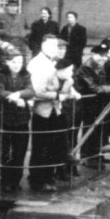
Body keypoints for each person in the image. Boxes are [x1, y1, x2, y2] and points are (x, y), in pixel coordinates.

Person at [27, 35, 65, 192]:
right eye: (50, 46)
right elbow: (36, 91)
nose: (53, 49)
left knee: (53, 145)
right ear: (42, 46)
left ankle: (48, 177)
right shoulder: (37, 63)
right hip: (42, 110)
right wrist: (56, 94)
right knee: (41, 146)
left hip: (54, 109)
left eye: (55, 46)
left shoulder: (51, 62)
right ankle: (38, 179)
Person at [0, 48, 33, 193]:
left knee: (19, 152)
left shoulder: (26, 74)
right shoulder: (0, 73)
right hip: (4, 118)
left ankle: (16, 181)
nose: (17, 65)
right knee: (4, 152)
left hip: (21, 119)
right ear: (8, 62)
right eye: (14, 62)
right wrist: (16, 99)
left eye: (20, 62)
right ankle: (5, 180)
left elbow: (30, 90)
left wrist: (18, 94)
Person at [74, 45, 110, 169]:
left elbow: (101, 84)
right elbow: (94, 87)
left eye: (104, 56)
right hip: (86, 104)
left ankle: (96, 156)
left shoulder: (99, 65)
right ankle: (87, 158)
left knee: (96, 129)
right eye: (100, 55)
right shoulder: (86, 67)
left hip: (96, 103)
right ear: (93, 54)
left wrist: (109, 86)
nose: (102, 58)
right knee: (89, 129)